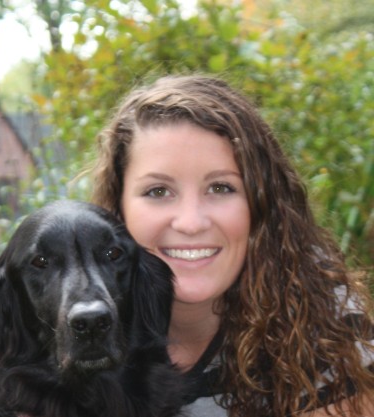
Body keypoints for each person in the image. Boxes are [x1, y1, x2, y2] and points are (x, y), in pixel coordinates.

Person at [89, 74, 374, 417]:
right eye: (158, 191)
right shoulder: (75, 322)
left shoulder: (320, 313)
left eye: (221, 188)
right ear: (118, 210)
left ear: (261, 202)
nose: (191, 222)